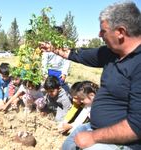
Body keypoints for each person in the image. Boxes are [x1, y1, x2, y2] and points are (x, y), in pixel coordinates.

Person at [40, 1, 141, 149]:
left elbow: (136, 126)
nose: (99, 35)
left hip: (123, 142)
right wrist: (53, 48)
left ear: (120, 32)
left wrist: (93, 137)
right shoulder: (111, 53)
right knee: (67, 146)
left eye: (103, 31)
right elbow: (78, 55)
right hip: (95, 128)